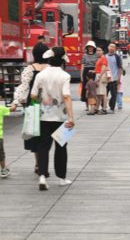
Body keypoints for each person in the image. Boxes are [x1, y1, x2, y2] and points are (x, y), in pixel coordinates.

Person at [31, 46, 75, 190]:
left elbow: (32, 95)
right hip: (61, 118)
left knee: (43, 146)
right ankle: (62, 178)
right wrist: (71, 117)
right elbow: (67, 96)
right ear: (63, 60)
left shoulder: (40, 75)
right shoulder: (64, 76)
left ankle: (42, 176)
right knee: (61, 147)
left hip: (43, 117)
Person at [12, 42, 50, 174]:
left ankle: (38, 164)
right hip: (49, 104)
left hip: (33, 104)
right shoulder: (51, 69)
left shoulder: (29, 69)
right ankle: (44, 163)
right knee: (47, 133)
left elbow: (23, 87)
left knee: (35, 132)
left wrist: (16, 101)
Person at [80, 41, 100, 112]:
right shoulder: (84, 56)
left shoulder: (96, 55)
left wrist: (96, 72)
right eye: (89, 46)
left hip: (94, 71)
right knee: (86, 88)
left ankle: (94, 105)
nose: (90, 48)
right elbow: (82, 65)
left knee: (94, 88)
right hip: (86, 71)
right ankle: (87, 106)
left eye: (91, 46)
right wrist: (81, 75)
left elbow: (97, 64)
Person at [105, 43, 123, 113]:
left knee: (113, 94)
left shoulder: (117, 57)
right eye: (110, 46)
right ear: (108, 47)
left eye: (113, 47)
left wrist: (119, 78)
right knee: (104, 94)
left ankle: (112, 108)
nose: (111, 48)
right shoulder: (105, 56)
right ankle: (103, 107)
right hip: (105, 78)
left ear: (115, 49)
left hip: (114, 79)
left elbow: (120, 68)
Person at [94, 46, 110, 114]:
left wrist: (99, 76)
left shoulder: (103, 58)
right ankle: (96, 108)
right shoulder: (100, 58)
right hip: (98, 74)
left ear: (103, 51)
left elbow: (103, 68)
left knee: (103, 93)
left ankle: (104, 109)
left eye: (99, 50)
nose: (98, 52)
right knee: (98, 93)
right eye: (97, 50)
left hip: (101, 76)